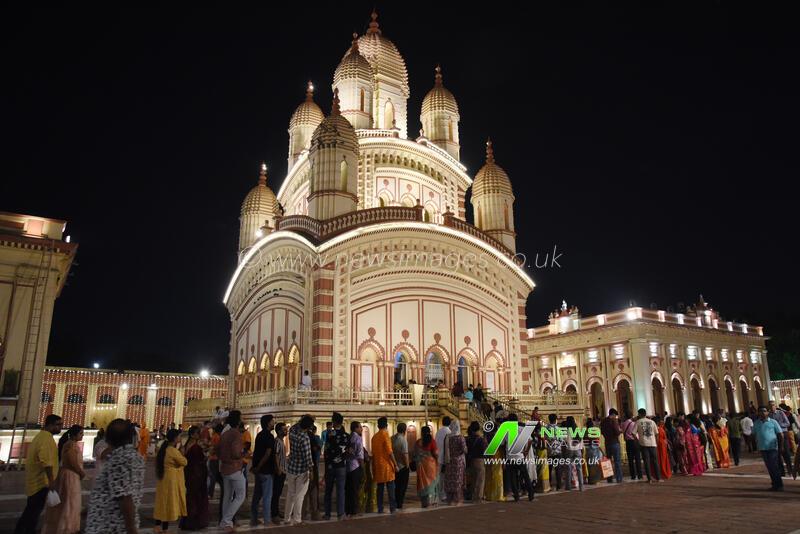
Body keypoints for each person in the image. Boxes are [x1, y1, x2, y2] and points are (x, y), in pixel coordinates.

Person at [85, 419, 145, 534]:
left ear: (109, 438)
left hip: (110, 525)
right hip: (112, 522)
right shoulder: (132, 456)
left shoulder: (120, 459)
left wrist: (131, 529)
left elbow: (125, 498)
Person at [14, 414, 63, 534]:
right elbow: (46, 462)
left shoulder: (41, 436)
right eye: (58, 425)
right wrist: (51, 481)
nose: (60, 428)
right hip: (41, 483)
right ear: (50, 425)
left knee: (30, 511)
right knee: (33, 513)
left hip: (36, 481)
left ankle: (20, 530)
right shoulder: (46, 439)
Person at [43, 425, 85, 534]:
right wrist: (81, 473)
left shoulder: (70, 444)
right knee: (70, 501)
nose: (82, 435)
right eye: (81, 433)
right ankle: (67, 527)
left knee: (69, 501)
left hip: (69, 474)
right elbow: (72, 462)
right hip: (71, 475)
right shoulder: (71, 445)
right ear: (74, 434)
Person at [153, 429, 187, 531]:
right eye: (179, 436)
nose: (180, 438)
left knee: (161, 502)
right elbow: (184, 462)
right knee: (168, 503)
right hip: (170, 480)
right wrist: (182, 451)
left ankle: (157, 526)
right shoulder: (173, 451)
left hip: (162, 478)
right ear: (175, 438)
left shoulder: (164, 449)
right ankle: (165, 529)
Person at [218, 410, 246, 532]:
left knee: (227, 496)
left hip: (224, 468)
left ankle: (224, 522)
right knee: (240, 495)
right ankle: (227, 521)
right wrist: (243, 454)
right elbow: (235, 453)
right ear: (238, 421)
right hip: (234, 468)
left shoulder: (225, 433)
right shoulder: (236, 434)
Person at [285, 414, 314, 525]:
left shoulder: (292, 431)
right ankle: (297, 519)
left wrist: (304, 419)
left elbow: (296, 425)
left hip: (292, 467)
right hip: (302, 469)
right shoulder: (305, 438)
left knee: (290, 493)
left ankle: (287, 518)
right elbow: (308, 456)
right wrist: (311, 471)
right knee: (299, 496)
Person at [180, 425, 209, 530]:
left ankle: (187, 521)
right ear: (192, 434)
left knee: (190, 497)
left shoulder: (187, 444)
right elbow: (200, 459)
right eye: (197, 433)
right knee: (196, 498)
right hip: (196, 474)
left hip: (189, 473)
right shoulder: (195, 447)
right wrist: (206, 456)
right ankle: (194, 522)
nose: (199, 435)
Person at [250, 415, 275, 527]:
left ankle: (254, 519)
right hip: (266, 470)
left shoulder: (259, 435)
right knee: (267, 496)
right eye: (272, 421)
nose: (274, 423)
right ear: (268, 423)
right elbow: (267, 454)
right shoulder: (269, 436)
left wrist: (255, 467)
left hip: (259, 470)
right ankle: (267, 520)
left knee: (256, 495)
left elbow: (257, 453)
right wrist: (259, 466)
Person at [754, 406, 784, 491]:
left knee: (774, 466)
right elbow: (753, 434)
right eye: (760, 411)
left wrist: (780, 447)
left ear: (768, 412)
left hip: (772, 448)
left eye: (764, 411)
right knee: (769, 467)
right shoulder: (756, 423)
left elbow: (780, 435)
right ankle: (774, 484)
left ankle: (779, 484)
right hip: (763, 448)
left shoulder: (773, 422)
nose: (762, 413)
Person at [372, 416, 398, 513]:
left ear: (378, 426)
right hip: (387, 466)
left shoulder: (374, 437)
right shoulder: (385, 434)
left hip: (378, 466)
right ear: (386, 425)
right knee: (391, 488)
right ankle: (392, 508)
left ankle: (380, 508)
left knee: (380, 489)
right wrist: (395, 465)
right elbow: (390, 452)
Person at [413, 425, 439, 507]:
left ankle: (424, 502)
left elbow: (414, 454)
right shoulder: (432, 441)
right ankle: (431, 501)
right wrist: (437, 463)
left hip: (420, 465)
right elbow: (436, 454)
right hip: (430, 465)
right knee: (432, 483)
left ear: (421, 433)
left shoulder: (417, 442)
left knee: (422, 483)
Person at [443, 419, 467, 504]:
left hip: (449, 461)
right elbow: (465, 450)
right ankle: (457, 499)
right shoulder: (460, 437)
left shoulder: (448, 437)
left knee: (450, 480)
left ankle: (450, 499)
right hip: (458, 462)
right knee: (458, 480)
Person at [345, 421, 365, 517]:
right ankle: (354, 510)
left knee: (349, 489)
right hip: (355, 466)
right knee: (355, 489)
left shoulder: (349, 437)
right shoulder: (358, 438)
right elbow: (360, 455)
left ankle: (348, 510)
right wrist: (363, 467)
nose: (361, 429)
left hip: (347, 466)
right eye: (360, 427)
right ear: (355, 428)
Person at [635, 409, 661, 483]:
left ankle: (649, 479)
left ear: (639, 414)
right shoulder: (652, 422)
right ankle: (658, 478)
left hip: (643, 444)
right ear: (645, 414)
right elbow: (657, 433)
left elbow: (633, 433)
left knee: (646, 462)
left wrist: (637, 441)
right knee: (655, 461)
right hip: (653, 444)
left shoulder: (638, 422)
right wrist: (656, 442)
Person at [304, 424, 322, 521]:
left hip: (301, 468)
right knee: (313, 491)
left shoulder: (297, 435)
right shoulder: (311, 437)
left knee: (302, 493)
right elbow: (316, 449)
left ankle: (303, 514)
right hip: (311, 466)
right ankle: (314, 513)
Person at [768, 401, 792, 476]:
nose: (771, 407)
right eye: (770, 406)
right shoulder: (769, 415)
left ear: (775, 406)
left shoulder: (780, 413)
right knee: (777, 454)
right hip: (774, 435)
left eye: (773, 405)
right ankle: (782, 472)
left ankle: (790, 470)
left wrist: (778, 425)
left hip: (783, 433)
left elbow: (787, 423)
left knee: (786, 453)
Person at [465, 421, 486, 502]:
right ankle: (478, 498)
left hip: (471, 461)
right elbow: (485, 450)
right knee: (480, 480)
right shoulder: (481, 439)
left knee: (473, 480)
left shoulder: (468, 439)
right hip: (480, 460)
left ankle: (473, 496)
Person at [600, 408, 623, 483]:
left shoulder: (603, 422)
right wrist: (620, 431)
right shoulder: (613, 421)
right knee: (617, 461)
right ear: (613, 414)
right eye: (615, 415)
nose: (615, 417)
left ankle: (609, 478)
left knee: (608, 462)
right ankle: (619, 478)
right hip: (615, 442)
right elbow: (617, 431)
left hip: (607, 443)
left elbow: (602, 432)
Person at [271, 423, 288, 524]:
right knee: (276, 493)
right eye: (284, 429)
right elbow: (276, 455)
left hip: (283, 470)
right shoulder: (277, 441)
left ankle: (276, 511)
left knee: (278, 493)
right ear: (279, 431)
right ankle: (274, 513)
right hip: (279, 471)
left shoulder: (281, 441)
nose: (286, 431)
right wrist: (278, 469)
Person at [562, 416, 584, 492]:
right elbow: (581, 440)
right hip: (577, 450)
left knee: (568, 468)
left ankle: (568, 486)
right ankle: (581, 487)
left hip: (569, 450)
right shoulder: (577, 429)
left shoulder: (567, 430)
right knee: (579, 468)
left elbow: (564, 440)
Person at [392, 422, 410, 509]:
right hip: (402, 466)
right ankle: (400, 503)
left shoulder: (392, 438)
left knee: (396, 486)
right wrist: (407, 466)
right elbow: (405, 455)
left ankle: (395, 502)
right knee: (402, 487)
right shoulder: (403, 440)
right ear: (405, 430)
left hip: (394, 465)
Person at [620, 411, 642, 480]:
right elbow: (636, 433)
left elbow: (622, 431)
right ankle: (639, 475)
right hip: (634, 442)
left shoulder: (622, 424)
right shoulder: (634, 424)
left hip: (628, 442)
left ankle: (633, 475)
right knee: (637, 459)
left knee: (630, 459)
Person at [435, 416, 452, 502]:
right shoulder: (450, 432)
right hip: (446, 457)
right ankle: (444, 494)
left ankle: (437, 494)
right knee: (445, 477)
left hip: (438, 457)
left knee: (439, 477)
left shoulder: (438, 432)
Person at [207, 423, 223, 500]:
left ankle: (210, 493)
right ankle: (210, 493)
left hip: (213, 458)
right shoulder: (217, 437)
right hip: (215, 459)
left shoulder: (214, 436)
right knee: (214, 477)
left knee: (214, 476)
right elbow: (215, 448)